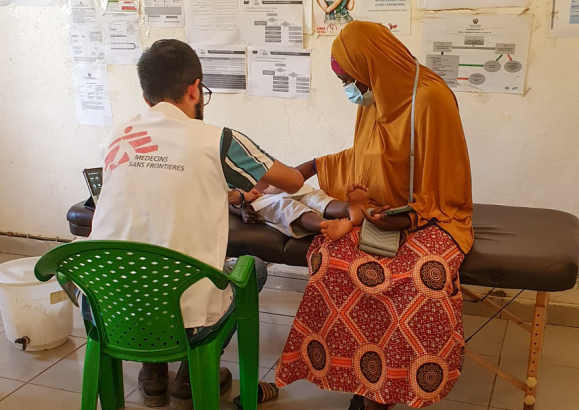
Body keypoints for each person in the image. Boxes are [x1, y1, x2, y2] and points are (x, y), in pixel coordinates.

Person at [88, 39, 304, 409]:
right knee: (253, 272)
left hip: (107, 305)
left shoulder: (117, 136)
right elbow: (293, 183)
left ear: (146, 98)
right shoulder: (218, 140)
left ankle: (152, 374)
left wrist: (228, 194)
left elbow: (153, 193)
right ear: (194, 89)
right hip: (186, 314)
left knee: (146, 267)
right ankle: (191, 375)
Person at [274, 22, 474, 410]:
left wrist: (405, 219)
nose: (351, 90)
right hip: (379, 212)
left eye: (351, 80)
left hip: (433, 217)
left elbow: (447, 181)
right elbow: (365, 156)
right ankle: (365, 377)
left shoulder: (432, 99)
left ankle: (394, 387)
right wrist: (310, 167)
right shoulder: (378, 95)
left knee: (422, 276)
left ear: (372, 67)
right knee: (328, 259)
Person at [232, 182, 372, 241]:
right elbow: (223, 202)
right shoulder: (217, 176)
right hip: (257, 202)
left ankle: (350, 208)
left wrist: (280, 184)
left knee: (312, 196)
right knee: (285, 206)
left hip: (278, 188)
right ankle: (327, 223)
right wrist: (242, 209)